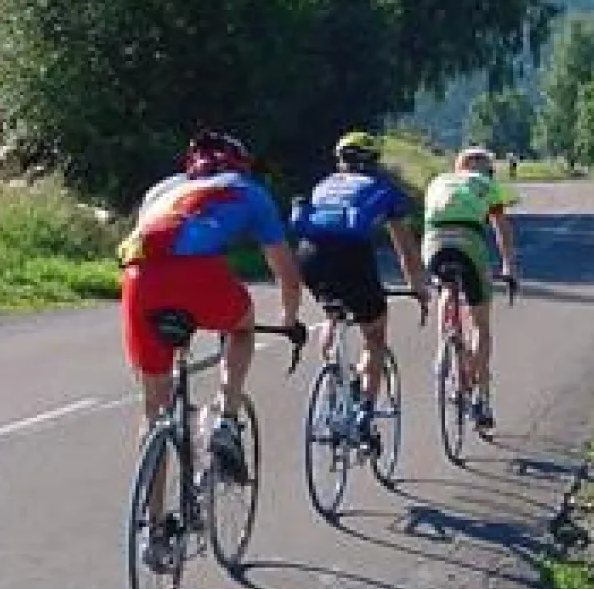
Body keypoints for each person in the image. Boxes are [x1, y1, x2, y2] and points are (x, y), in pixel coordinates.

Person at [116, 129, 304, 483]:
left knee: (153, 410)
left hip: (137, 278)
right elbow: (287, 274)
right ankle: (226, 419)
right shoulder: (247, 190)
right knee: (242, 326)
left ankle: (154, 529)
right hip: (198, 273)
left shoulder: (160, 190)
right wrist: (290, 320)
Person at [289, 130, 431, 448]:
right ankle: (364, 411)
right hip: (351, 256)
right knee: (375, 333)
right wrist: (417, 287)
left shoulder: (323, 185)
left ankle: (337, 376)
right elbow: (405, 250)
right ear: (374, 161)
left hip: (309, 255)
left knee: (333, 314)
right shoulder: (384, 189)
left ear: (340, 161)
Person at [420, 146, 519, 431]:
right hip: (468, 243)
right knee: (481, 324)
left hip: (434, 242)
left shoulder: (439, 180)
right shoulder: (486, 185)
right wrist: (508, 267)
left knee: (446, 288)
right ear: (487, 171)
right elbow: (502, 230)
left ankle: (444, 345)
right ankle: (477, 388)